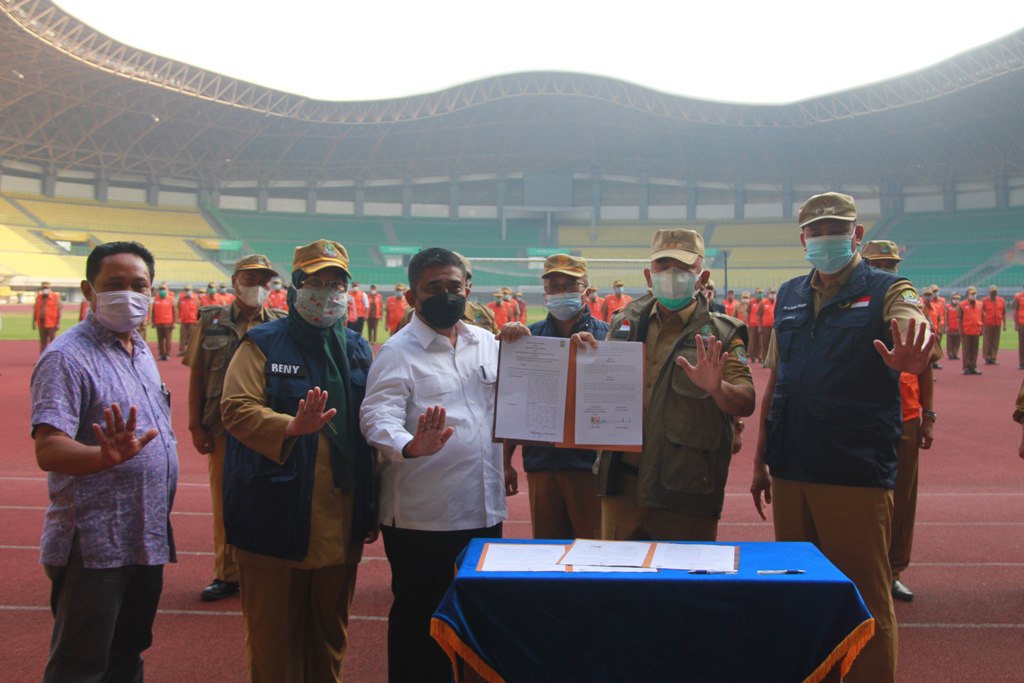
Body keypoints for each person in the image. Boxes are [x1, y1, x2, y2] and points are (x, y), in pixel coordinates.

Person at [750, 192, 934, 683]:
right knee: (799, 595)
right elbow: (778, 380)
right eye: (816, 231)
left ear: (857, 235)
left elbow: (909, 316)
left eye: (836, 229)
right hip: (791, 470)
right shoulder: (789, 294)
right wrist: (761, 460)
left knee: (864, 601)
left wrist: (911, 342)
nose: (826, 238)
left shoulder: (887, 287)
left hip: (853, 471)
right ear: (803, 238)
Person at [221, 240, 376, 683]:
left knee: (329, 637)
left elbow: (371, 426)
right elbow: (236, 409)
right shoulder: (262, 343)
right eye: (315, 282)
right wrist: (288, 426)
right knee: (274, 643)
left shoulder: (356, 349)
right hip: (274, 513)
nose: (325, 294)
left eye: (335, 284)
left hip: (338, 518)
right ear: (295, 288)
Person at [360, 247, 512, 683]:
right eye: (433, 288)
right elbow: (376, 415)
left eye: (453, 286)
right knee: (421, 621)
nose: (446, 294)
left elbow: (520, 396)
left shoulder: (486, 343)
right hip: (423, 517)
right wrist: (409, 445)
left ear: (468, 289)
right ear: (412, 297)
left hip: (483, 508)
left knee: (477, 617)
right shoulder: (398, 352)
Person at [30, 241, 177, 682]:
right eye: (115, 284)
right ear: (88, 290)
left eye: (139, 285)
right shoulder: (66, 357)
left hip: (145, 536)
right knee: (81, 666)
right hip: (94, 545)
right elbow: (48, 448)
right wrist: (102, 456)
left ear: (152, 291)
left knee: (126, 656)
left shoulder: (140, 350)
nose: (129, 294)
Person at [595, 229, 755, 542]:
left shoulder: (722, 333)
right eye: (662, 266)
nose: (671, 274)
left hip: (685, 491)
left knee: (683, 573)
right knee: (615, 573)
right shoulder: (623, 322)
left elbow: (746, 400)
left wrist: (717, 388)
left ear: (702, 277)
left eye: (683, 268)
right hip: (621, 486)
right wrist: (583, 357)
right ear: (648, 275)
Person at [183, 254, 285, 603]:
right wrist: (195, 426)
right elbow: (198, 374)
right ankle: (227, 574)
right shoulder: (212, 321)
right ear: (234, 281)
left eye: (264, 280)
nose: (258, 286)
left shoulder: (281, 323)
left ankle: (265, 568)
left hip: (266, 425)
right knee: (225, 501)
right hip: (222, 427)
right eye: (250, 278)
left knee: (269, 497)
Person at [503, 254, 608, 539]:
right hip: (542, 464)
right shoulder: (528, 339)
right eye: (554, 286)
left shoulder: (608, 337)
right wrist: (505, 462)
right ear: (545, 293)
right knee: (547, 549)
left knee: (592, 549)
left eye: (570, 285)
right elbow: (514, 401)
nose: (561, 292)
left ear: (586, 290)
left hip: (590, 467)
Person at [861, 240, 938, 603]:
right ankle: (861, 567)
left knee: (902, 498)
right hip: (861, 414)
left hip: (905, 414)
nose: (886, 271)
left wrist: (928, 415)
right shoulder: (854, 310)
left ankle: (893, 570)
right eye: (878, 265)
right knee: (860, 496)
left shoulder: (911, 310)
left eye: (890, 265)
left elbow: (927, 368)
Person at [395, 252, 498, 334]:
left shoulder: (484, 314)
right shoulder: (414, 314)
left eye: (462, 279)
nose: (447, 291)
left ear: (468, 287)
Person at [959, 286, 983, 375]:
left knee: (975, 350)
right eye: (971, 294)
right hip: (966, 330)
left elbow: (982, 316)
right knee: (966, 350)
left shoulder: (980, 304)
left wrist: (982, 328)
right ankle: (966, 367)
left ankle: (973, 367)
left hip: (976, 330)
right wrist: (961, 330)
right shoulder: (962, 304)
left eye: (974, 294)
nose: (973, 295)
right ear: (967, 294)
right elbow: (959, 318)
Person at [33, 281, 62, 353]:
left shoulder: (55, 297)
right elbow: (36, 310)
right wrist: (34, 322)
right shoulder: (39, 297)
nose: (45, 289)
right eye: (43, 288)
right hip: (41, 323)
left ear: (50, 288)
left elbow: (59, 311)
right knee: (43, 342)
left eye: (46, 288)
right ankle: (42, 357)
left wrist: (58, 323)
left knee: (54, 342)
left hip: (52, 323)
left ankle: (53, 357)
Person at [981, 285, 1006, 365]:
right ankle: (987, 357)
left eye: (995, 292)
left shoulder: (1001, 300)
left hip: (997, 323)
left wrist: (1004, 324)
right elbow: (980, 312)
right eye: (992, 292)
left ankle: (993, 357)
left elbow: (1004, 312)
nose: (994, 293)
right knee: (987, 341)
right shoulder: (984, 300)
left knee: (995, 341)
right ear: (989, 292)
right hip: (987, 324)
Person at [151, 281, 176, 361]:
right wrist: (153, 322)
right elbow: (153, 312)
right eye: (161, 289)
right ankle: (161, 354)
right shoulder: (156, 299)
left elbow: (174, 311)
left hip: (168, 323)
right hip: (158, 323)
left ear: (167, 290)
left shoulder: (171, 299)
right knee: (160, 340)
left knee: (168, 340)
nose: (162, 290)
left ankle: (167, 354)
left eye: (164, 289)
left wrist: (174, 322)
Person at [178, 284, 199, 356]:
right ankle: (182, 351)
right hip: (183, 321)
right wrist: (178, 318)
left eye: (189, 290)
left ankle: (191, 351)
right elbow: (178, 308)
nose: (187, 291)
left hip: (193, 321)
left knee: (191, 337)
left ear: (192, 290)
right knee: (182, 337)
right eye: (186, 290)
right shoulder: (181, 298)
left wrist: (197, 319)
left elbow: (199, 309)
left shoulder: (196, 299)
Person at [945, 291, 961, 361]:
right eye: (954, 299)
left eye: (957, 299)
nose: (956, 300)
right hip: (950, 327)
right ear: (951, 299)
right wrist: (946, 326)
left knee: (957, 342)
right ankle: (950, 354)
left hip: (958, 327)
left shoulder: (960, 307)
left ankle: (955, 354)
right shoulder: (947, 307)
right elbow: (946, 317)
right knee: (950, 342)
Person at [1014, 282, 1024, 369]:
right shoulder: (1018, 297)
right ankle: (1022, 362)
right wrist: (1016, 324)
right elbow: (1015, 311)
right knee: (1022, 344)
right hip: (1022, 323)